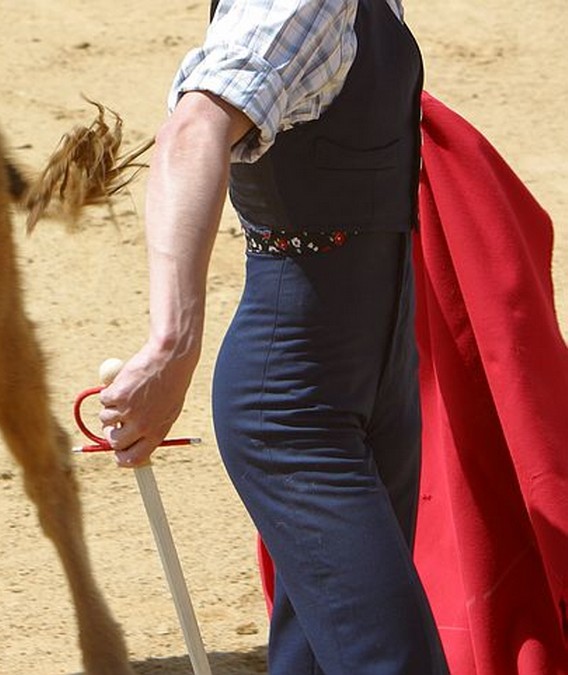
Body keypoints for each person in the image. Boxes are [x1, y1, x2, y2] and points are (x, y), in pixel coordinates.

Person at [97, 0, 451, 672]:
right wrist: (172, 342)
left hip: (380, 384)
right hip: (295, 410)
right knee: (392, 658)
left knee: (317, 655)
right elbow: (195, 126)